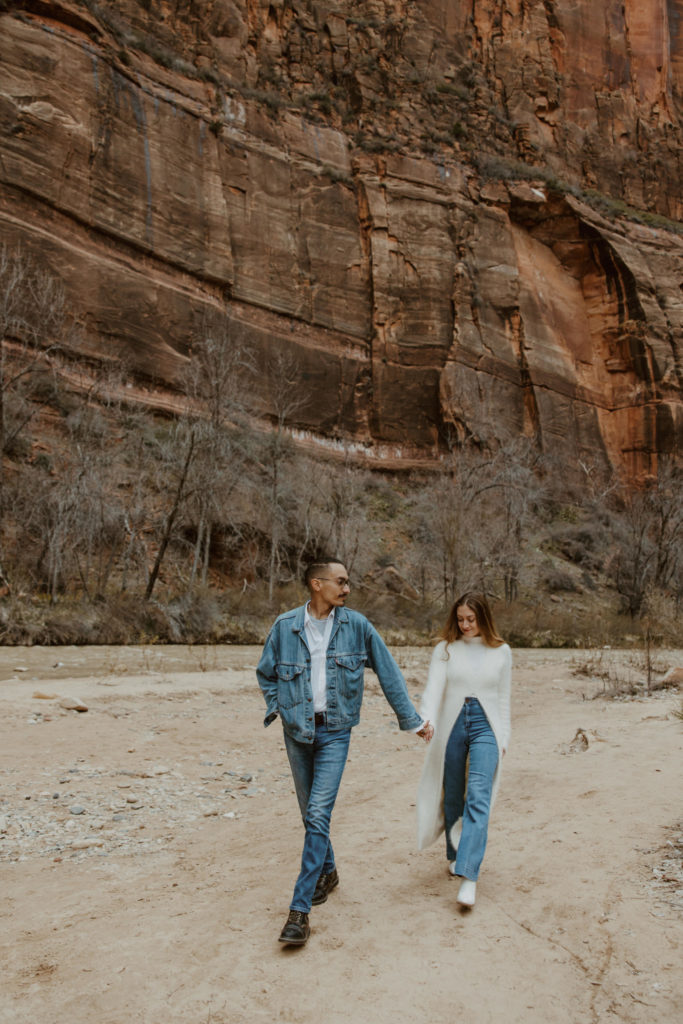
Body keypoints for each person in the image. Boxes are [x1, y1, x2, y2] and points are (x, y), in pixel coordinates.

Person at [257, 557, 433, 946]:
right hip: (297, 731)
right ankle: (329, 871)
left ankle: (299, 912)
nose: (347, 589)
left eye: (348, 582)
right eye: (341, 582)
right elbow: (265, 672)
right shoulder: (286, 626)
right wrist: (278, 708)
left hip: (335, 732)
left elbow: (388, 672)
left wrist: (413, 720)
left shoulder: (357, 627)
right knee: (310, 815)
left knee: (318, 813)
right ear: (317, 584)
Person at [416, 592, 511, 908]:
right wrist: (425, 720)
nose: (465, 625)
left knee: (479, 795)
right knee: (453, 794)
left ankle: (470, 877)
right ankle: (457, 855)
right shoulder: (445, 650)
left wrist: (505, 738)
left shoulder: (502, 652)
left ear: (483, 618)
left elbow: (503, 699)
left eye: (471, 619)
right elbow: (433, 690)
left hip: (487, 727)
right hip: (452, 724)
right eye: (460, 619)